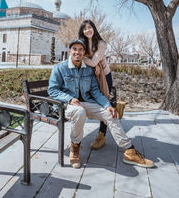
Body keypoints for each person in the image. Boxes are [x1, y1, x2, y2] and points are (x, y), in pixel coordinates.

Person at [48, 39, 154, 169]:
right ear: (70, 51)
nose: (77, 52)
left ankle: (129, 151)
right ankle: (75, 147)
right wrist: (70, 99)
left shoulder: (88, 70)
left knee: (109, 114)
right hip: (65, 105)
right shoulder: (60, 68)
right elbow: (52, 90)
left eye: (81, 49)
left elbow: (95, 91)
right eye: (74, 49)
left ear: (84, 53)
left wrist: (108, 105)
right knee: (79, 111)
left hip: (86, 103)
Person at [78, 19, 125, 149]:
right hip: (91, 76)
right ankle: (77, 138)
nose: (88, 30)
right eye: (85, 28)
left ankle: (101, 136)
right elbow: (83, 60)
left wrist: (85, 59)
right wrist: (92, 65)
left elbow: (93, 62)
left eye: (89, 27)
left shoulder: (101, 43)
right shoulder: (82, 43)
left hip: (105, 77)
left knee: (105, 102)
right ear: (82, 31)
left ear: (94, 28)